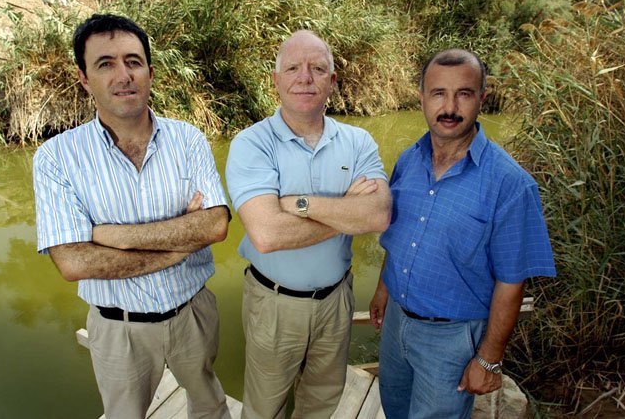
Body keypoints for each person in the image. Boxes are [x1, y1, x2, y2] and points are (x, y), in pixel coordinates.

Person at [33, 14, 231, 419]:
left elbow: (214, 225)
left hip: (193, 313)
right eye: (105, 64)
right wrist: (179, 245)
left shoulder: (188, 139)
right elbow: (73, 262)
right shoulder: (56, 158)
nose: (123, 75)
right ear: (84, 78)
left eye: (133, 61)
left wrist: (114, 236)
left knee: (210, 405)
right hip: (117, 329)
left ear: (150, 72)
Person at [369, 49, 556, 418]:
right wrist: (382, 288)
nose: (450, 107)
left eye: (464, 94)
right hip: (396, 326)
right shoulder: (409, 160)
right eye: (438, 93)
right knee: (394, 409)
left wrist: (488, 360)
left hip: (452, 338)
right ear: (421, 97)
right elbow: (401, 236)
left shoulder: (510, 184)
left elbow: (511, 281)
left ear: (482, 99)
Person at [225, 30, 392, 418]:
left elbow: (379, 213)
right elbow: (266, 235)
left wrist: (300, 204)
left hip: (336, 301)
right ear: (276, 80)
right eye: (293, 68)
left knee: (322, 402)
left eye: (318, 69)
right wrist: (348, 212)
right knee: (265, 408)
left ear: (332, 81)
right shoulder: (252, 143)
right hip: (274, 303)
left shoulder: (358, 141)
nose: (305, 78)